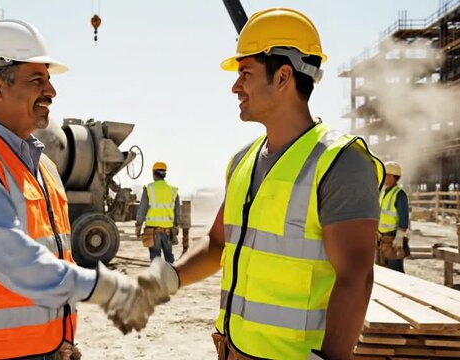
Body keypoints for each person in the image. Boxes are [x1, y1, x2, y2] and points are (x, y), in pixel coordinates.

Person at [136, 8, 385, 360]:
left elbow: (355, 277)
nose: (235, 86)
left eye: (245, 73)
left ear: (283, 77)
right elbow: (218, 243)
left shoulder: (340, 163)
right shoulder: (242, 161)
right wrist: (167, 278)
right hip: (231, 350)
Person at [0, 19, 152, 360]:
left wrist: (60, 340)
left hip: (45, 351)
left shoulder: (44, 168)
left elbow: (53, 257)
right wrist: (110, 288)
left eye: (49, 80)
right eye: (37, 80)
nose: (52, 92)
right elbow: (16, 261)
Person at [135, 162, 181, 264]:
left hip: (153, 232)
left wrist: (138, 225)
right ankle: (171, 278)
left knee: (155, 259)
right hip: (168, 232)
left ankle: (158, 278)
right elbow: (177, 211)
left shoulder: (149, 189)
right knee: (169, 259)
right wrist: (176, 225)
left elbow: (142, 209)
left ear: (154, 173)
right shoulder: (173, 190)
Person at [377, 161, 410, 273]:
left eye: (385, 175)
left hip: (393, 240)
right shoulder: (383, 192)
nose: (382, 177)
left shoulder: (399, 194)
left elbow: (404, 217)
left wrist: (399, 237)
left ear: (391, 176)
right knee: (383, 272)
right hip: (382, 239)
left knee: (396, 272)